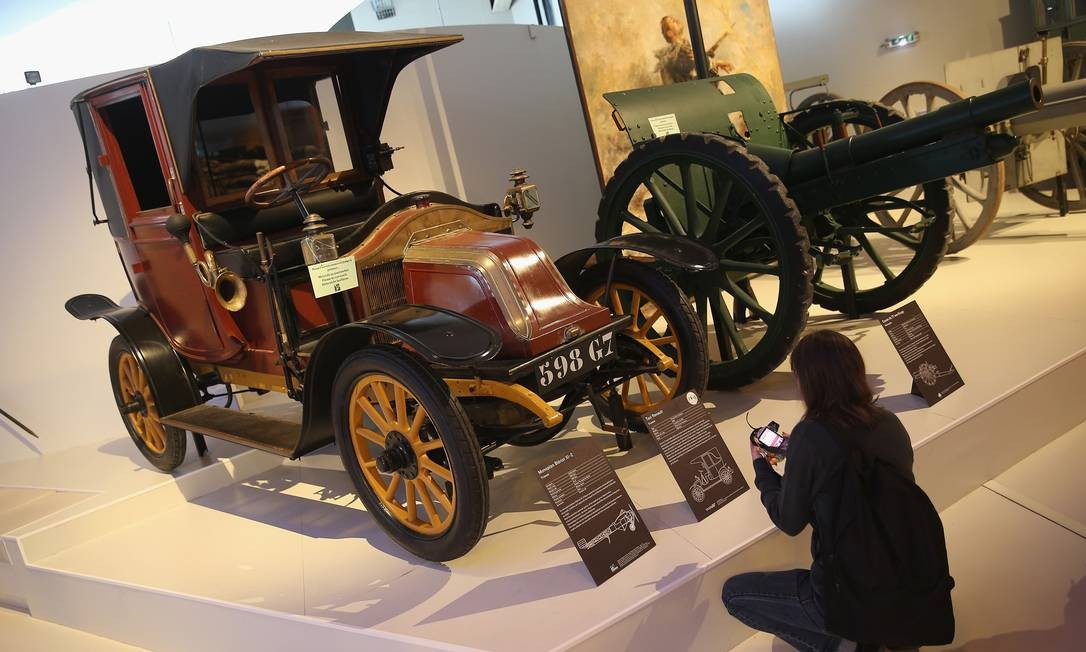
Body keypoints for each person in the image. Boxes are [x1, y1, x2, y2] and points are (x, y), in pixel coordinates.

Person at [721, 329, 915, 652]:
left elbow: (789, 520)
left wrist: (762, 468)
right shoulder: (890, 423)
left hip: (842, 591)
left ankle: (849, 646)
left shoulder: (810, 436)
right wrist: (797, 456)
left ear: (810, 383)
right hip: (901, 578)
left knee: (735, 596)